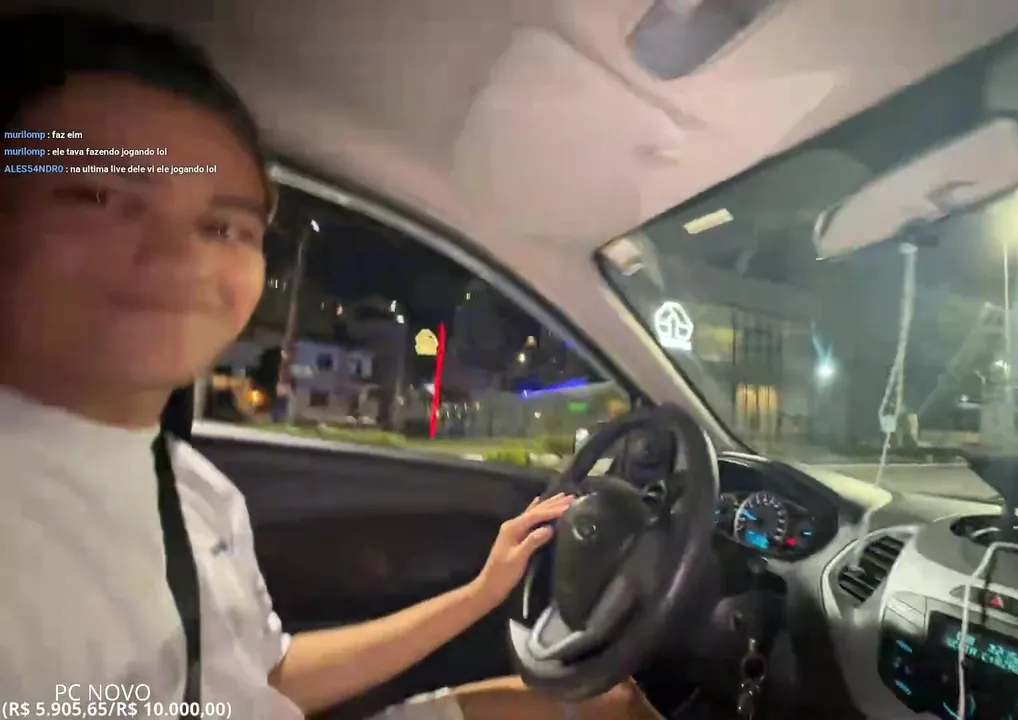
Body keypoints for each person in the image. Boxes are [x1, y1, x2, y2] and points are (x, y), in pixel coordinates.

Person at [0, 10, 663, 720]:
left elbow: (261, 680)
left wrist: (480, 594)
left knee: (609, 703)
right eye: (101, 198)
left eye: (223, 226)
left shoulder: (191, 485)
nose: (179, 258)